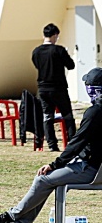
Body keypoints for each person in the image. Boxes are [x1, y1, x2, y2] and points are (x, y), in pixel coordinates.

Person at [0, 68, 102, 223]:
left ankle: (13, 216)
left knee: (44, 178)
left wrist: (54, 164)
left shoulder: (95, 112)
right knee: (49, 180)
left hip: (92, 169)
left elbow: (77, 143)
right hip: (96, 166)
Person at [33, 23, 76, 151]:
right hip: (58, 88)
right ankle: (72, 143)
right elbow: (71, 65)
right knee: (67, 115)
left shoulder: (36, 51)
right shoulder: (59, 50)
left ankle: (52, 144)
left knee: (47, 116)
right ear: (55, 35)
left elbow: (37, 65)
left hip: (43, 88)